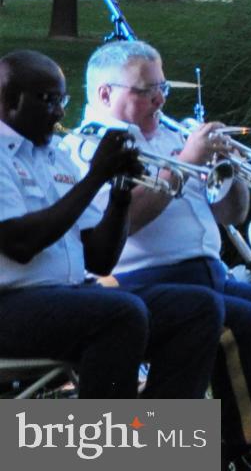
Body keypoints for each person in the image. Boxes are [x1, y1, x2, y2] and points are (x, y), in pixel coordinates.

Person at [72, 40, 251, 463]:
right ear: (104, 94)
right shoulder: (91, 146)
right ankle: (239, 450)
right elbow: (120, 225)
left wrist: (229, 169)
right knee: (241, 322)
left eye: (164, 87)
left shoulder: (174, 134)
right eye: (145, 90)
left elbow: (232, 214)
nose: (159, 98)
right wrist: (183, 161)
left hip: (211, 275)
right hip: (141, 281)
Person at [0, 50, 220, 398]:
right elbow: (20, 243)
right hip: (10, 304)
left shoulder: (55, 156)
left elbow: (100, 259)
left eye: (63, 100)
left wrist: (120, 192)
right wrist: (96, 177)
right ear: (10, 100)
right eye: (48, 101)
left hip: (66, 296)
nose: (59, 112)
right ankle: (107, 447)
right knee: (120, 314)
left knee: (197, 309)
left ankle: (158, 440)